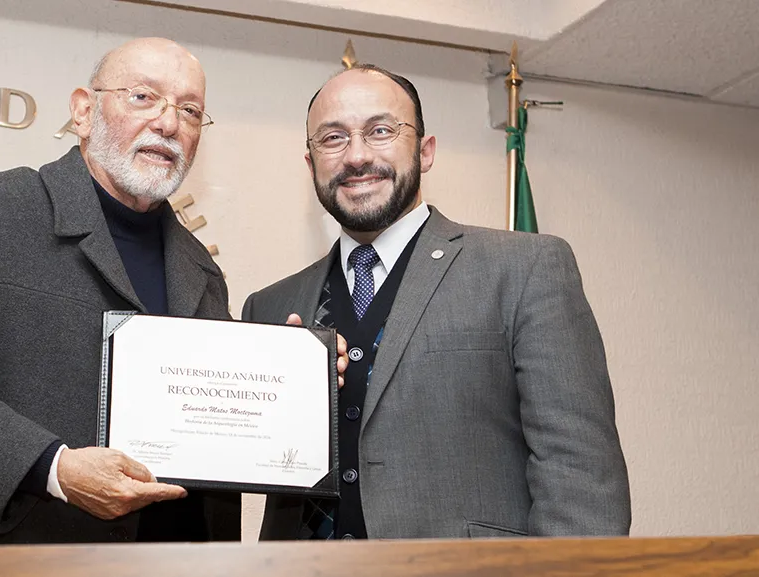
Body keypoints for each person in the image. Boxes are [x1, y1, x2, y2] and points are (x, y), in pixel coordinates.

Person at [0, 37, 241, 544]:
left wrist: (295, 376)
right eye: (143, 97)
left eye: (190, 110)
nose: (169, 123)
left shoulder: (200, 270)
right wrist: (52, 468)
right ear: (84, 112)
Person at [242, 64, 631, 540]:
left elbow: (581, 476)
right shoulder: (269, 307)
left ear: (425, 152)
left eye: (381, 131)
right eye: (333, 138)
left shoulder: (525, 268)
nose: (357, 156)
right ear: (311, 164)